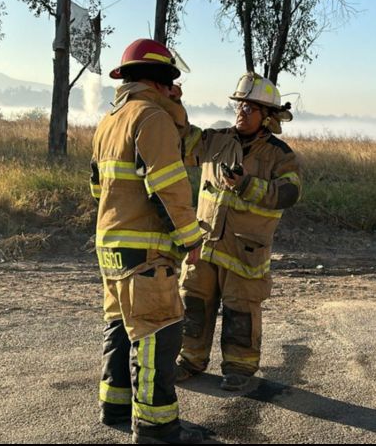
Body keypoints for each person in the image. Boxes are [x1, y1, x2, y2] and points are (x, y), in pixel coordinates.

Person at [90, 38, 205, 444]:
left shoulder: (109, 122)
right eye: (171, 82)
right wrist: (190, 236)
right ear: (161, 80)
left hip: (110, 244)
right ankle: (157, 428)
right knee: (158, 333)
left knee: (121, 326)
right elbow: (168, 187)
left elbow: (97, 189)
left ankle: (116, 405)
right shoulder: (152, 118)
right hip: (146, 251)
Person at [174, 72, 301, 391]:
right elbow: (181, 141)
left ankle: (239, 368)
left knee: (240, 309)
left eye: (249, 108)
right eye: (239, 106)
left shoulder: (280, 155)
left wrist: (246, 185)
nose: (241, 112)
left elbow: (290, 193)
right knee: (193, 303)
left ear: (267, 117)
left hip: (246, 250)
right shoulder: (216, 140)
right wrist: (173, 103)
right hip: (203, 244)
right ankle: (190, 360)